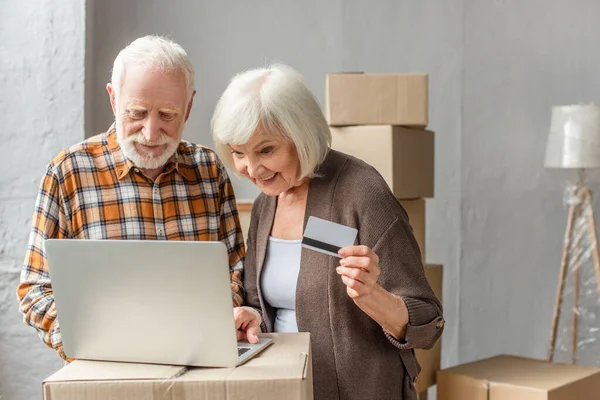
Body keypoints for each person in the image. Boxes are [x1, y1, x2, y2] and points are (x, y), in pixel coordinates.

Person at [211, 64, 444, 400]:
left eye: (266, 150)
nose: (252, 169)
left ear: (302, 134)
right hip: (285, 387)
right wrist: (251, 317)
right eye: (238, 153)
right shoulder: (267, 203)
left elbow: (428, 323)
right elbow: (264, 305)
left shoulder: (361, 191)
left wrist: (374, 298)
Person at [17, 35, 246, 361]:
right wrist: (87, 339)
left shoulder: (209, 170)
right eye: (137, 113)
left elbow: (237, 269)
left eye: (168, 115)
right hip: (104, 369)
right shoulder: (68, 172)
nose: (151, 134)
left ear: (189, 107)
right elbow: (35, 289)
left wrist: (221, 315)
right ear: (113, 99)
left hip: (199, 363)